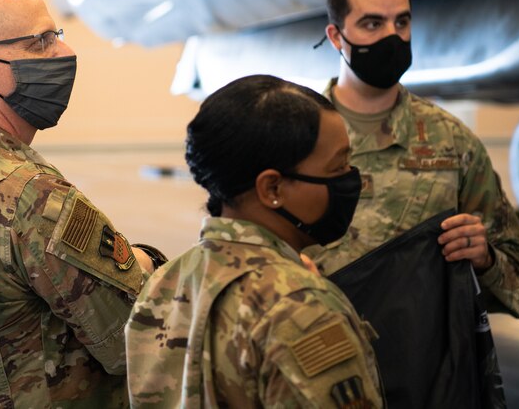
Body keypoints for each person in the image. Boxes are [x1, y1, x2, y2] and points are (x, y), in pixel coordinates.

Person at [0, 0, 166, 407]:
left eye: (57, 35)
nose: (64, 52)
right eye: (40, 42)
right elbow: (136, 336)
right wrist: (151, 261)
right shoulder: (28, 194)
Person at [126, 75, 382, 408]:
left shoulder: (166, 281)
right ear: (272, 189)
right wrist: (301, 293)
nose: (352, 179)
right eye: (338, 167)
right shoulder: (299, 306)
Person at [304, 0, 519, 317]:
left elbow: (516, 277)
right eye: (372, 24)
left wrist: (484, 257)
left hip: (420, 359)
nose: (392, 37)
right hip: (321, 352)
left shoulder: (452, 142)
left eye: (402, 22)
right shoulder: (298, 138)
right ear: (336, 37)